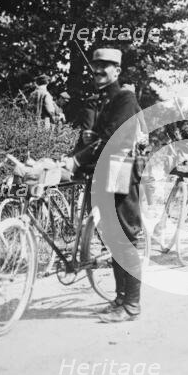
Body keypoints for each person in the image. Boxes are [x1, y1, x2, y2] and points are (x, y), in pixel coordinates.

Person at [64, 48, 143, 323]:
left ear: (117, 71)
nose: (98, 74)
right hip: (105, 173)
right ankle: (120, 298)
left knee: (126, 237)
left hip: (121, 174)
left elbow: (110, 138)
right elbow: (94, 138)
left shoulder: (125, 99)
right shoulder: (106, 101)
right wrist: (73, 157)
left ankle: (132, 305)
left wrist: (76, 161)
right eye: (95, 69)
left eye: (104, 69)